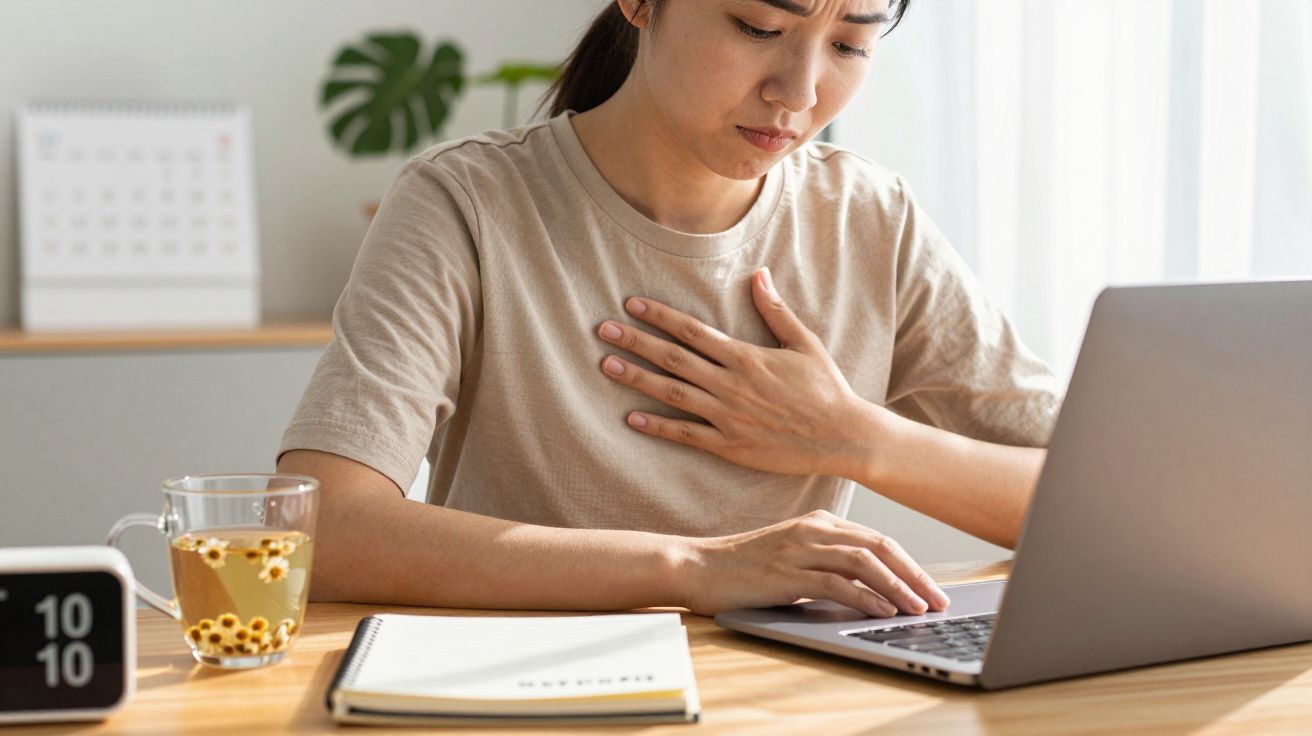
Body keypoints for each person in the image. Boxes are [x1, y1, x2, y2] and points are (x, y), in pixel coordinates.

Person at [276, 0, 1063, 619]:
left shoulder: (869, 218)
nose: (800, 90)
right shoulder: (466, 205)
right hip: (527, 691)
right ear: (641, 3)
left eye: (851, 45)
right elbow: (325, 528)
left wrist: (857, 437)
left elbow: (1098, 502)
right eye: (759, 26)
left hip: (792, 701)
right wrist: (694, 570)